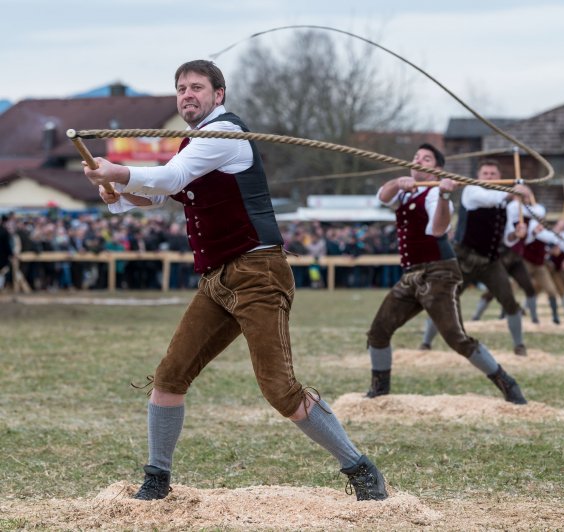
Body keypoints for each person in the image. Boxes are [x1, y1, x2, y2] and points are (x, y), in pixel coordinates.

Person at [83, 59, 387, 502]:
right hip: (217, 280)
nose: (188, 94)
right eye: (181, 88)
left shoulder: (223, 134)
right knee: (170, 376)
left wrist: (117, 172)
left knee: (280, 390)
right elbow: (164, 191)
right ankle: (156, 479)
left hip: (258, 274)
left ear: (218, 95)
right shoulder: (196, 143)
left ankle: (360, 468)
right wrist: (117, 195)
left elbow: (169, 178)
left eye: (197, 87)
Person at [364, 144, 527, 405]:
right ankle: (379, 391)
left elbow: (438, 229)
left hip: (439, 273)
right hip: (411, 274)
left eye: (425, 158)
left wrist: (443, 196)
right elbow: (383, 196)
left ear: (437, 170)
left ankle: (505, 381)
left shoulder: (434, 195)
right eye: (415, 156)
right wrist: (397, 181)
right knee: (378, 332)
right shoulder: (405, 193)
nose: (417, 160)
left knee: (456, 338)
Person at [418, 159, 534, 355]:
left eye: (493, 174)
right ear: (478, 177)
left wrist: (516, 234)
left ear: (500, 178)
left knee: (509, 300)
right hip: (463, 259)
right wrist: (515, 190)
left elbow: (507, 236)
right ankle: (426, 343)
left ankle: (519, 345)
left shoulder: (503, 201)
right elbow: (488, 199)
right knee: (445, 301)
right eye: (485, 174)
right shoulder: (472, 191)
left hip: (490, 260)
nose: (489, 177)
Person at [504, 202, 562, 324]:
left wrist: (557, 231)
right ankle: (504, 312)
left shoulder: (541, 226)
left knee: (551, 290)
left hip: (539, 265)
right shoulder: (531, 225)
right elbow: (543, 237)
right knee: (514, 287)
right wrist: (543, 232)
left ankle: (555, 316)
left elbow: (551, 238)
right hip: (526, 263)